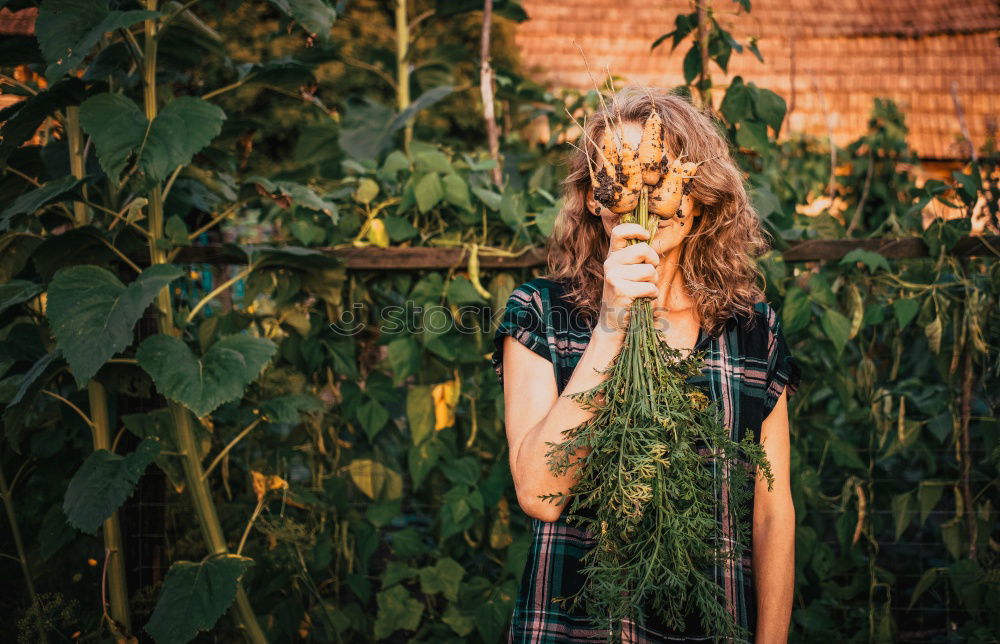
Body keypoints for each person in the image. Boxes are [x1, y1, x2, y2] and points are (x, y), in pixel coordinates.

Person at [491, 86, 801, 643]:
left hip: (710, 623)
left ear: (700, 193)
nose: (641, 196)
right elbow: (540, 493)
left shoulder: (750, 329)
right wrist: (612, 323)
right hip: (577, 624)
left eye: (661, 177)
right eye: (618, 177)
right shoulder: (539, 312)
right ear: (592, 197)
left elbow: (771, 511)